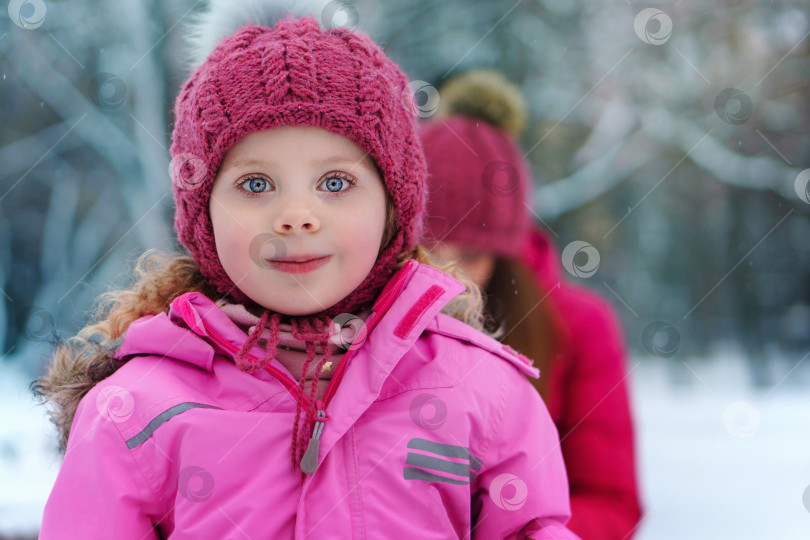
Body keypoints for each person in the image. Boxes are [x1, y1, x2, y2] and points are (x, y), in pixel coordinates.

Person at [33, 17, 581, 539]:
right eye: (255, 184)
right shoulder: (137, 414)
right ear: (203, 215)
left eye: (336, 183)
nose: (297, 215)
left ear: (393, 207)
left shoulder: (481, 395)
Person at [420, 70, 642, 540]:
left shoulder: (579, 326)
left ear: (504, 253)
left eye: (471, 255)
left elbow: (610, 500)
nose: (449, 275)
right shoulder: (363, 326)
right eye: (429, 251)